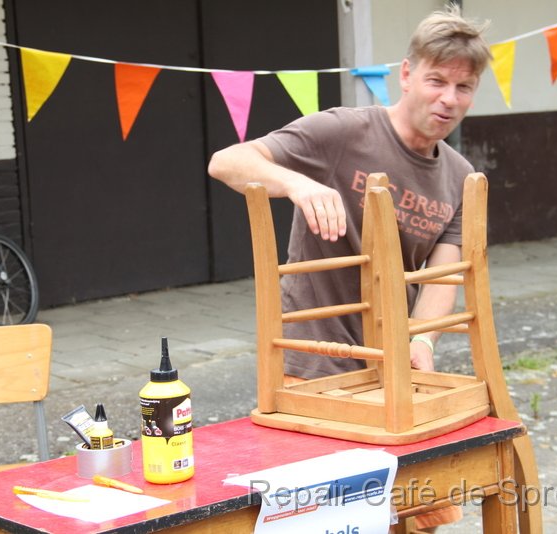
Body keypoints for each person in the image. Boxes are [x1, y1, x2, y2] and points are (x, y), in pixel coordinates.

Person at [208, 4, 490, 530]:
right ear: (405, 75)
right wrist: (299, 183)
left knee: (411, 512)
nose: (449, 99)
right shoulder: (343, 133)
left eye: (464, 87)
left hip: (390, 368)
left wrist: (423, 343)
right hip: (313, 359)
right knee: (323, 517)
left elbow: (443, 275)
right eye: (436, 81)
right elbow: (226, 161)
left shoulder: (459, 176)